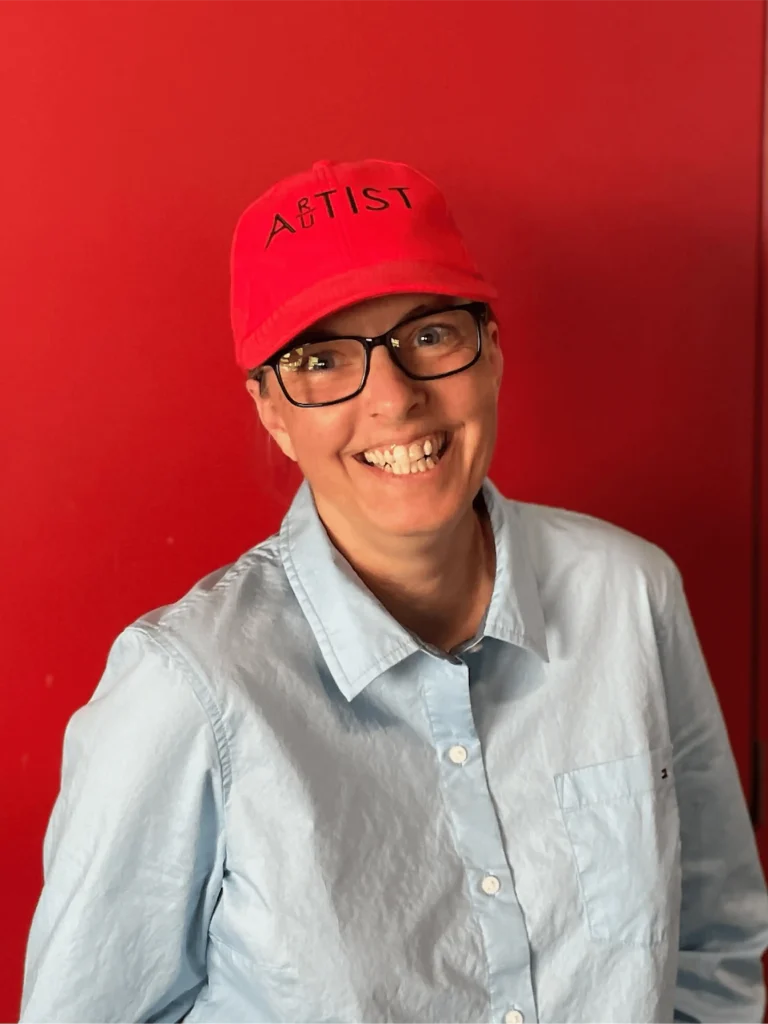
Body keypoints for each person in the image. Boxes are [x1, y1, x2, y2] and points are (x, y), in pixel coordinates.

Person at [20, 157, 768, 1024]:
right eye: (324, 359)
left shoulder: (632, 598)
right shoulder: (186, 687)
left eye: (429, 335)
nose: (394, 401)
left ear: (491, 349)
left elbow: (713, 943)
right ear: (271, 409)